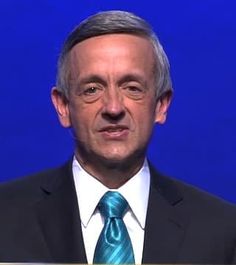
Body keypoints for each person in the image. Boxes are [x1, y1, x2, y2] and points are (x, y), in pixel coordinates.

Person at [0, 10, 236, 264]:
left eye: (132, 88)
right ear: (63, 107)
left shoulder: (223, 230)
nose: (113, 107)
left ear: (161, 105)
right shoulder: (6, 216)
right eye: (92, 89)